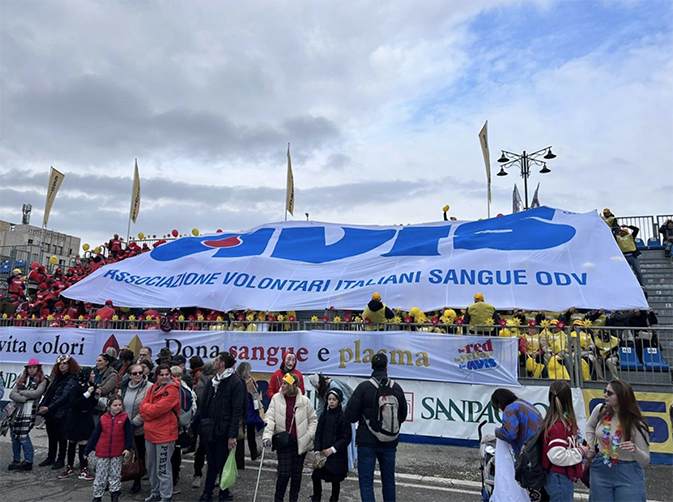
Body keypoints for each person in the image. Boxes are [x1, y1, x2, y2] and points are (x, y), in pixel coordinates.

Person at [345, 353, 408, 502]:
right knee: (389, 481)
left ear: (372, 367)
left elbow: (350, 416)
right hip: (390, 441)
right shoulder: (396, 388)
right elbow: (403, 415)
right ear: (387, 367)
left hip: (367, 442)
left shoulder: (363, 388)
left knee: (366, 483)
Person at [585, 379, 649, 502]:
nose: (605, 395)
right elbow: (590, 426)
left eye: (610, 393)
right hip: (601, 467)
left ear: (622, 397)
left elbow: (645, 460)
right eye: (605, 391)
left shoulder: (637, 423)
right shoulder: (600, 409)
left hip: (628, 471)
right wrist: (591, 447)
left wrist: (635, 449)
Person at [197, 351, 246, 502]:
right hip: (211, 429)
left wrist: (232, 435)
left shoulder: (236, 382)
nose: (214, 362)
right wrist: (203, 423)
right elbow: (204, 404)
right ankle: (207, 492)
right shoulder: (213, 381)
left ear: (222, 363)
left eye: (217, 359)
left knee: (223, 462)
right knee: (211, 462)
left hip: (224, 431)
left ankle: (224, 492)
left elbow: (237, 410)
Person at [262, 372, 318, 502]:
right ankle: (278, 499)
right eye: (282, 382)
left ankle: (293, 499)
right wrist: (267, 436)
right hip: (284, 442)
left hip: (300, 442)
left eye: (285, 383)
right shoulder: (276, 398)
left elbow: (313, 419)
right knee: (284, 473)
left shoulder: (305, 401)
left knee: (296, 475)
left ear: (293, 386)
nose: (282, 385)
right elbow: (270, 418)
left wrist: (309, 435)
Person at [541, 380, 588, 502]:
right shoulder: (559, 426)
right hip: (558, 478)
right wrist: (581, 451)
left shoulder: (563, 422)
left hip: (561, 477)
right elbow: (556, 455)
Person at [140, 364, 180, 502]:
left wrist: (148, 410)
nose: (164, 377)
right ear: (156, 376)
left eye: (166, 374)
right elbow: (143, 407)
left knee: (163, 468)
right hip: (150, 433)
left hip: (165, 435)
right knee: (151, 467)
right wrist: (149, 410)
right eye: (161, 374)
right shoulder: (152, 388)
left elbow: (156, 410)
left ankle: (166, 496)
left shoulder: (173, 390)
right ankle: (155, 492)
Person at [84, 394, 133, 502]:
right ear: (109, 406)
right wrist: (87, 450)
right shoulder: (103, 418)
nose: (118, 407)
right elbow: (95, 435)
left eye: (120, 405)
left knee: (115, 475)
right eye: (115, 405)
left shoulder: (124, 418)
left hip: (117, 451)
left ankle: (114, 495)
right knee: (100, 475)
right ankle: (97, 496)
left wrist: (127, 448)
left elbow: (128, 434)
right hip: (103, 451)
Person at [310, 387, 352, 502]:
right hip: (323, 454)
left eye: (334, 399)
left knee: (335, 480)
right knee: (316, 476)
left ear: (339, 401)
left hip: (336, 455)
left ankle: (334, 499)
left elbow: (346, 438)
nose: (331, 402)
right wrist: (317, 450)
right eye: (329, 399)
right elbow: (318, 434)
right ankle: (316, 497)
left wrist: (333, 449)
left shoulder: (343, 417)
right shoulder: (324, 415)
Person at [309, 373, 358, 470]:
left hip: (344, 416)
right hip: (334, 418)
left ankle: (349, 464)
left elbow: (345, 401)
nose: (331, 401)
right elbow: (321, 406)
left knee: (345, 442)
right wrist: (316, 421)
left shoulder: (333, 385)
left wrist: (340, 415)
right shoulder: (322, 389)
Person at [38, 354, 79, 470]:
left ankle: (60, 459)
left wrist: (49, 408)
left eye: (64, 363)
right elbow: (49, 394)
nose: (62, 366)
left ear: (70, 365)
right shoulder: (57, 378)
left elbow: (65, 397)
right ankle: (51, 457)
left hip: (62, 413)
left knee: (62, 438)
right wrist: (43, 406)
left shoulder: (71, 379)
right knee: (51, 436)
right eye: (60, 364)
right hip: (51, 412)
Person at [8, 358, 48, 471]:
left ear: (38, 368)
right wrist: (23, 398)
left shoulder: (42, 381)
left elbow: (36, 393)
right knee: (14, 435)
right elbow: (12, 394)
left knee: (23, 436)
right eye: (30, 367)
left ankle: (28, 461)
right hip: (17, 411)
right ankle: (16, 459)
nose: (31, 370)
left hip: (29, 412)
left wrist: (20, 392)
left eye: (34, 367)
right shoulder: (22, 379)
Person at [59, 367, 98, 480]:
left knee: (83, 443)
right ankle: (69, 466)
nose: (94, 375)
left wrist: (96, 396)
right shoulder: (75, 386)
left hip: (85, 417)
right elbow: (73, 403)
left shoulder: (92, 386)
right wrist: (86, 394)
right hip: (75, 417)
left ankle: (83, 468)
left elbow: (91, 404)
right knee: (72, 442)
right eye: (92, 373)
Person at [120, 362, 152, 494]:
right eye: (135, 373)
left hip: (139, 428)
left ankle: (137, 481)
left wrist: (134, 423)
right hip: (123, 427)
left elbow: (147, 408)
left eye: (140, 373)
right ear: (129, 375)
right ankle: (116, 479)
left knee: (139, 456)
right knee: (121, 454)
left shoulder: (149, 387)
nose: (138, 375)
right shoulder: (124, 387)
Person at [491, 388, 543, 456]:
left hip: (531, 450)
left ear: (499, 403)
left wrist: (497, 431)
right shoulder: (523, 403)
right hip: (540, 445)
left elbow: (510, 434)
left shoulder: (510, 409)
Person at [235, 361, 263, 468]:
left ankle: (239, 460)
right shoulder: (251, 381)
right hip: (250, 407)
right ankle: (253, 453)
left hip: (240, 407)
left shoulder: (237, 380)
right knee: (251, 432)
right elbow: (255, 392)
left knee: (240, 433)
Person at [192, 360, 214, 489]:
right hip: (205, 420)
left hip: (213, 420)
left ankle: (214, 474)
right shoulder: (202, 384)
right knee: (202, 448)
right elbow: (203, 402)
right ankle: (197, 474)